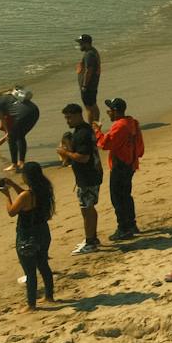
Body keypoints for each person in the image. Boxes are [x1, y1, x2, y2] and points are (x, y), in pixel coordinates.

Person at [0, 164, 56, 309]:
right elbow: (25, 196)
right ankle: (49, 296)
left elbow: (12, 211)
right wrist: (12, 184)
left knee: (30, 271)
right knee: (43, 265)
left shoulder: (27, 195)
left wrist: (7, 195)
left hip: (27, 235)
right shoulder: (43, 190)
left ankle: (31, 304)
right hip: (42, 231)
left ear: (27, 177)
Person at [53, 103, 103, 253]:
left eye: (69, 118)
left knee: (87, 209)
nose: (67, 121)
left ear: (77, 115)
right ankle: (92, 238)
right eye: (66, 118)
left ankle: (90, 242)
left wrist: (65, 153)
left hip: (88, 177)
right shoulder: (84, 130)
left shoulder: (81, 134)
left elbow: (83, 157)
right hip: (91, 175)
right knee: (88, 208)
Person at [96, 98, 144, 240]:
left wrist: (97, 131)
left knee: (117, 198)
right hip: (130, 163)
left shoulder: (120, 125)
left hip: (121, 165)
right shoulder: (132, 122)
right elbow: (139, 145)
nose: (108, 113)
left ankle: (123, 228)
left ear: (116, 111)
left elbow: (105, 144)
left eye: (109, 111)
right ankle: (131, 224)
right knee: (126, 196)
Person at [0, 85, 39, 169]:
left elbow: (3, 119)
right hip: (34, 111)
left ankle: (14, 164)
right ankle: (21, 162)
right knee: (20, 136)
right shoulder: (8, 95)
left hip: (22, 114)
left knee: (11, 139)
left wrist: (8, 132)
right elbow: (7, 113)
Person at [75, 34, 101, 123]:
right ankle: (96, 126)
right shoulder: (93, 52)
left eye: (81, 43)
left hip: (88, 86)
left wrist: (84, 86)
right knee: (93, 105)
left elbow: (89, 70)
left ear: (86, 43)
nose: (80, 45)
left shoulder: (89, 54)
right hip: (92, 85)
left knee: (89, 108)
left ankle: (92, 129)